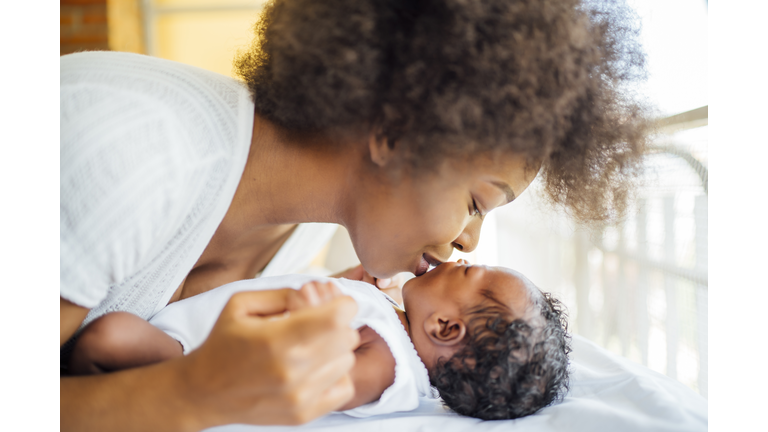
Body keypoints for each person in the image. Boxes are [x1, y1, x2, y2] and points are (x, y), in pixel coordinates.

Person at [60, 0, 649, 429]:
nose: (469, 243)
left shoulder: (296, 238)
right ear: (396, 130)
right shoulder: (137, 150)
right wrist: (192, 392)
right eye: (477, 202)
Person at [69, 260, 570, 421]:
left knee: (108, 337)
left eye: (467, 272)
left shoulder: (389, 364)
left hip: (194, 357)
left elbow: (323, 382)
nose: (456, 259)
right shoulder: (390, 317)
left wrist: (308, 322)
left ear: (444, 328)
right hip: (191, 335)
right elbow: (344, 293)